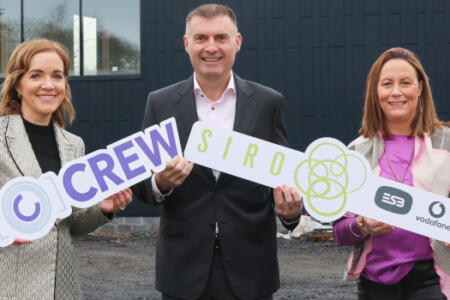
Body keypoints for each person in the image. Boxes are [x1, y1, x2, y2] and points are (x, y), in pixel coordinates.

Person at [133, 4, 302, 300]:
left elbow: (283, 178)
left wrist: (290, 214)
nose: (211, 47)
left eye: (221, 38)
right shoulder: (159, 103)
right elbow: (142, 186)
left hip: (251, 270)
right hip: (183, 271)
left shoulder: (268, 103)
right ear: (187, 44)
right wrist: (161, 183)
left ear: (237, 42)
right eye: (201, 38)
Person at [0, 38, 133, 300]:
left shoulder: (74, 145)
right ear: (18, 84)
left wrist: (103, 208)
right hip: (10, 286)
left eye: (57, 76)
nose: (48, 85)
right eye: (36, 75)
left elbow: (69, 225)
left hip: (63, 289)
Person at [333, 47, 450, 299]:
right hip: (375, 282)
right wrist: (362, 225)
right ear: (376, 91)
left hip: (434, 280)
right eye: (387, 83)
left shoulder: (447, 145)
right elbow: (340, 232)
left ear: (420, 88)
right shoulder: (355, 153)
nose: (396, 91)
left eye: (405, 82)